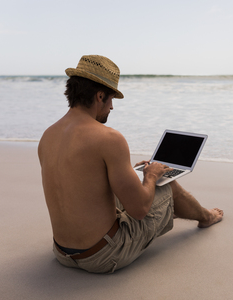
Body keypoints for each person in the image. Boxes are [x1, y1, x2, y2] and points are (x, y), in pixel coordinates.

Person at [38, 55, 223, 273]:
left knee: (132, 185)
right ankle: (206, 217)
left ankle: (167, 202)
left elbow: (83, 183)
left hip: (63, 253)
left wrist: (135, 175)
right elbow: (140, 210)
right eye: (111, 99)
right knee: (166, 185)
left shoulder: (48, 136)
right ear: (99, 95)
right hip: (103, 256)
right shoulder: (108, 138)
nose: (112, 107)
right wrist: (151, 176)